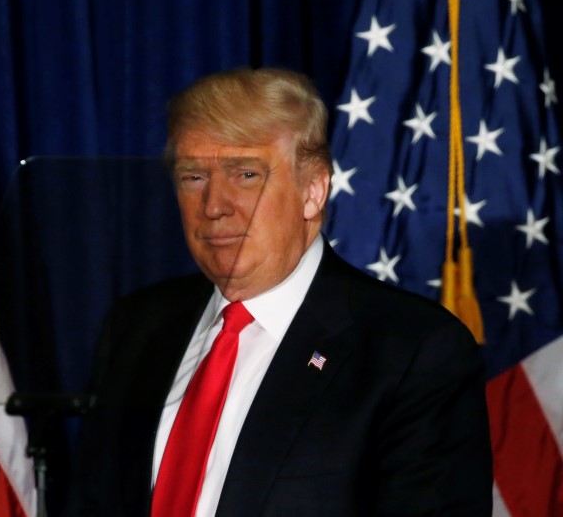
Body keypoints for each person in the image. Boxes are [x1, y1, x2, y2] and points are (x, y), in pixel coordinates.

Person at [66, 68, 492, 516]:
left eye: (246, 174)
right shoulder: (138, 326)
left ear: (313, 191)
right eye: (193, 177)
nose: (213, 206)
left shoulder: (412, 352)